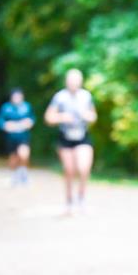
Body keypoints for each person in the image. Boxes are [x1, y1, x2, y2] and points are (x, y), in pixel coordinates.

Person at [44, 69, 97, 213]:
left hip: (82, 136)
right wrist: (62, 117)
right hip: (65, 137)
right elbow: (48, 118)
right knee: (69, 170)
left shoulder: (86, 96)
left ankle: (81, 198)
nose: (74, 83)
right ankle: (69, 200)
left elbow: (93, 116)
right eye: (71, 80)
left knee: (84, 168)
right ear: (66, 81)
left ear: (81, 81)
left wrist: (86, 115)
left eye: (76, 80)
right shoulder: (59, 97)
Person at [0, 88, 35, 186]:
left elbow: (32, 118)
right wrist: (6, 125)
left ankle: (24, 173)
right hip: (11, 137)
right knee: (13, 157)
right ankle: (15, 175)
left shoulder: (27, 107)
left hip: (23, 136)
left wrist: (29, 123)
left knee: (24, 154)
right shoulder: (6, 107)